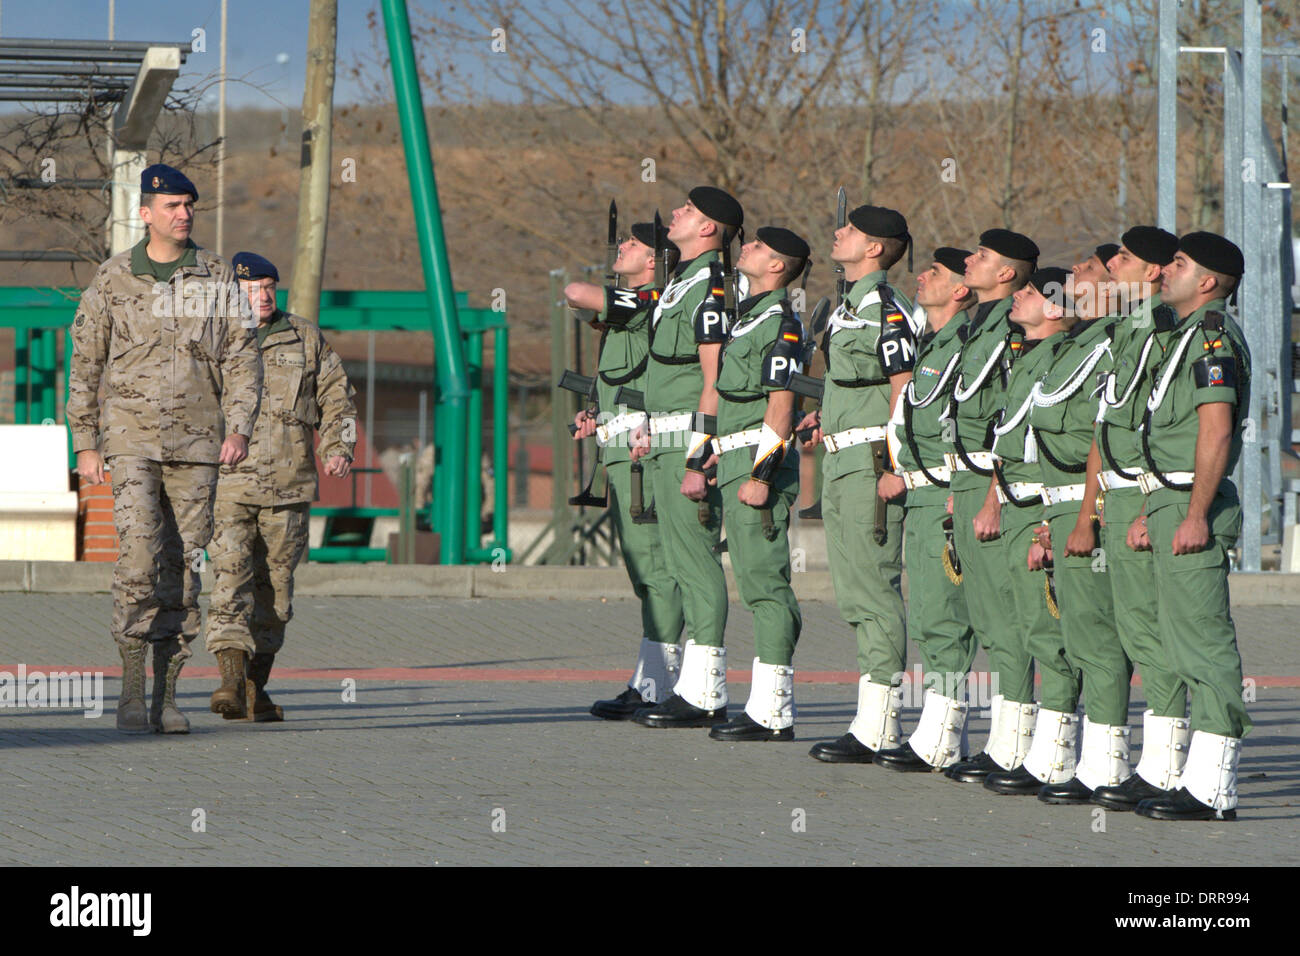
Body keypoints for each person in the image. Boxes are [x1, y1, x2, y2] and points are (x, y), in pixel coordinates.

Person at [66, 163, 262, 734]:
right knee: (139, 557)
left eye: (189, 206)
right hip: (130, 441)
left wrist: (240, 427)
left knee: (184, 565)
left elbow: (241, 358)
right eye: (173, 206)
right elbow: (86, 362)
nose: (184, 214)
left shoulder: (218, 276)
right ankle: (131, 689)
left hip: (199, 443)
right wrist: (85, 442)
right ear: (146, 213)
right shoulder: (113, 278)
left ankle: (167, 697)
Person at [1031, 227, 1182, 806]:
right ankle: (1112, 762)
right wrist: (1087, 513)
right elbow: (1105, 430)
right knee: (1125, 631)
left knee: (1149, 635)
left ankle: (1162, 766)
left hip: (1146, 495)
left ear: (1151, 274)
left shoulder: (1161, 331)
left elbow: (1160, 431)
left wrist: (1145, 503)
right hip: (1110, 497)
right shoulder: (1124, 332)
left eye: (1122, 258)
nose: (1106, 266)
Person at [203, 252, 357, 721]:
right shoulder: (213, 337)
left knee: (277, 592)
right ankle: (229, 681)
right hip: (228, 485)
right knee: (230, 581)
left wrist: (339, 447)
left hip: (289, 487)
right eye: (254, 289)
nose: (264, 295)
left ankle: (255, 687)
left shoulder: (304, 336)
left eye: (270, 286)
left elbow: (339, 397)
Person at [1130, 232, 1250, 822]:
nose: (1163, 272)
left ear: (1207, 282)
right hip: (1168, 502)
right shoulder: (1179, 337)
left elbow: (1216, 431)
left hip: (1190, 504)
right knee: (1177, 644)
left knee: (1204, 645)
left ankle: (1215, 787)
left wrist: (1196, 514)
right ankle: (1187, 775)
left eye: (1177, 264)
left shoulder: (1212, 336)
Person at [796, 204, 917, 763]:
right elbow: (857, 381)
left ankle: (880, 724)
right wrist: (826, 414)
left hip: (872, 462)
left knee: (873, 588)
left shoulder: (887, 310)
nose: (836, 232)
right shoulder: (849, 309)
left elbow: (904, 388)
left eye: (849, 230)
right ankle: (873, 718)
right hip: (842, 460)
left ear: (874, 249)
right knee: (853, 594)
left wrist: (896, 463)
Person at [629, 186, 743, 728]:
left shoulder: (712, 286)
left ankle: (706, 691)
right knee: (677, 563)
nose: (675, 213)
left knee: (697, 565)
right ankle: (683, 684)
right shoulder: (682, 283)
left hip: (690, 444)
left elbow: (714, 379)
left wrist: (700, 456)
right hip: (665, 439)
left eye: (689, 211)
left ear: (709, 230)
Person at [565, 222, 687, 718]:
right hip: (620, 450)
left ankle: (659, 684)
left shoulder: (649, 300)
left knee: (656, 570)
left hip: (642, 456)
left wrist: (610, 296)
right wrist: (597, 411)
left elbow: (574, 291)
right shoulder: (628, 310)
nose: (622, 247)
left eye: (634, 244)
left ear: (656, 260)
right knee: (642, 571)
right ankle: (650, 678)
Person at [979, 267, 1084, 796]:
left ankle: (1057, 753)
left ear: (1058, 309)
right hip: (1017, 500)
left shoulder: (1058, 359)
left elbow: (1054, 446)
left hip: (1040, 504)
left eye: (1028, 293)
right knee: (1023, 626)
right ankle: (1026, 745)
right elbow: (1007, 437)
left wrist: (1045, 522)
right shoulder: (1024, 354)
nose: (1017, 297)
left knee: (1049, 632)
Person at [874, 248, 979, 772]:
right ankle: (940, 732)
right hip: (921, 490)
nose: (922, 275)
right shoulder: (931, 341)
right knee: (927, 613)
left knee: (944, 616)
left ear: (961, 289)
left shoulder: (965, 343)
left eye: (935, 272)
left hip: (946, 490)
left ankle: (943, 734)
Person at [942, 229, 1041, 783]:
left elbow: (1010, 418)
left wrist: (994, 497)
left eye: (981, 256)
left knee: (1009, 621)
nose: (968, 260)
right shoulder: (974, 324)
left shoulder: (1012, 330)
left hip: (991, 482)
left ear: (1007, 274)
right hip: (963, 478)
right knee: (987, 615)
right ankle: (1004, 740)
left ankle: (1016, 743)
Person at [705, 226, 810, 741]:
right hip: (735, 456)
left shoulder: (779, 323)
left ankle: (774, 710)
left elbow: (782, 403)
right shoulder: (748, 318)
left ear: (777, 267)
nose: (745, 248)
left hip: (756, 460)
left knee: (765, 584)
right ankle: (766, 704)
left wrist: (762, 474)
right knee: (751, 581)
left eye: (760, 248)